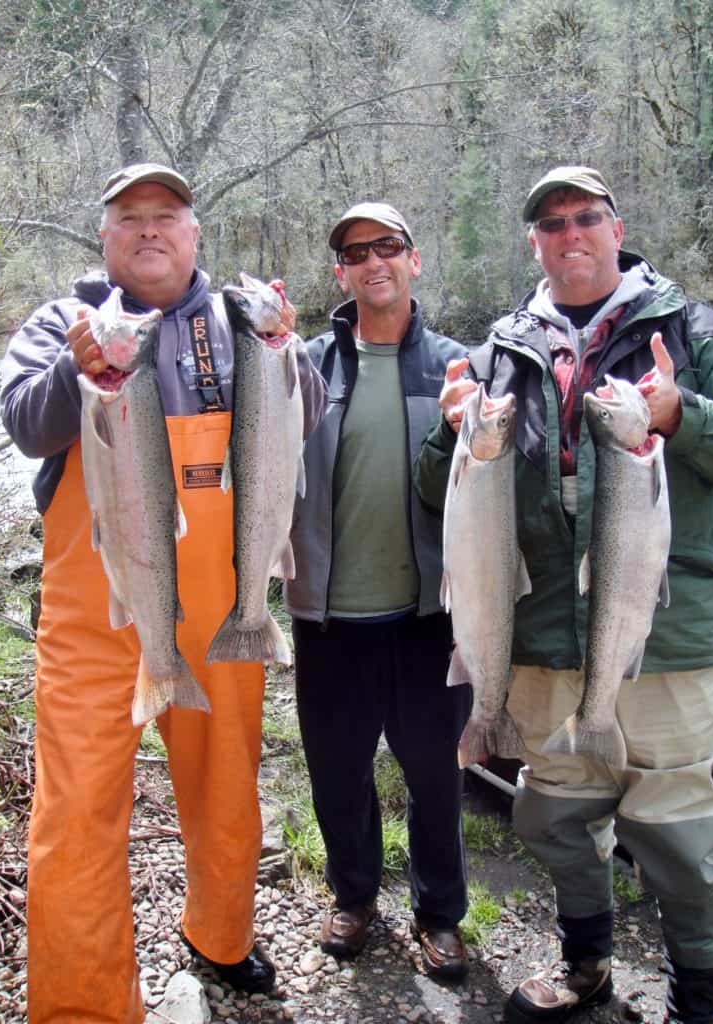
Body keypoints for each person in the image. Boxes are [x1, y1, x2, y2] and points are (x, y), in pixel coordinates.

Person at [414, 166, 713, 1024]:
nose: (570, 235)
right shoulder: (498, 352)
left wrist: (684, 413)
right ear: (534, 241)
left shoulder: (699, 329)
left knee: (679, 834)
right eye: (552, 223)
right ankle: (587, 962)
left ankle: (699, 1000)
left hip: (662, 637)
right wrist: (448, 433)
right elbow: (435, 494)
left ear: (617, 225)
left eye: (586, 218)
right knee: (556, 817)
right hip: (538, 637)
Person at [0, 162, 326, 1024]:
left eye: (166, 215)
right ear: (103, 239)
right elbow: (29, 428)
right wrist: (83, 374)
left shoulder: (237, 321)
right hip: (96, 609)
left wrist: (287, 350)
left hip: (225, 603)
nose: (149, 229)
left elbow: (309, 415)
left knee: (227, 780)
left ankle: (221, 936)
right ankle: (81, 1004)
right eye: (129, 218)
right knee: (73, 813)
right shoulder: (59, 325)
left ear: (195, 234)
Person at [283, 201, 472, 981]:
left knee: (436, 773)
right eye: (356, 252)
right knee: (337, 770)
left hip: (431, 616)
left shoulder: (459, 365)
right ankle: (354, 897)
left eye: (388, 246)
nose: (374, 262)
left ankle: (440, 916)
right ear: (341, 272)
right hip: (329, 614)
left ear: (414, 259)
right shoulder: (303, 366)